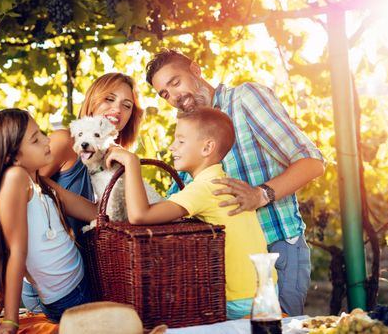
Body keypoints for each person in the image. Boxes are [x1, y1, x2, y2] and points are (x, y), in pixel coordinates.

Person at [145, 49, 325, 316]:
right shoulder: (191, 132)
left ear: (195, 70)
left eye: (175, 82)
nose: (174, 96)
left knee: (277, 330)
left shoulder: (244, 99)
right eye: (164, 94)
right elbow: (179, 198)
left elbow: (312, 162)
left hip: (275, 251)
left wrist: (261, 194)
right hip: (225, 265)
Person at [106, 107, 269, 319]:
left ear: (207, 147)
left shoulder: (205, 188)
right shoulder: (222, 181)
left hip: (238, 300)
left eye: (181, 141)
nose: (172, 147)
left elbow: (140, 216)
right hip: (261, 290)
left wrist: (132, 163)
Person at [19, 72, 143, 314]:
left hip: (89, 275)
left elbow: (110, 218)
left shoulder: (115, 159)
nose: (117, 109)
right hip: (53, 283)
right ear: (92, 100)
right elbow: (26, 184)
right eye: (109, 99)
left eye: (126, 106)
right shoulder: (65, 140)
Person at [0, 109, 98, 333]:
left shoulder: (40, 181)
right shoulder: (15, 179)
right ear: (12, 157)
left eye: (42, 133)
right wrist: (10, 322)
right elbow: (16, 253)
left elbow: (94, 212)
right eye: (35, 139)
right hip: (70, 299)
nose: (47, 140)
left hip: (81, 282)